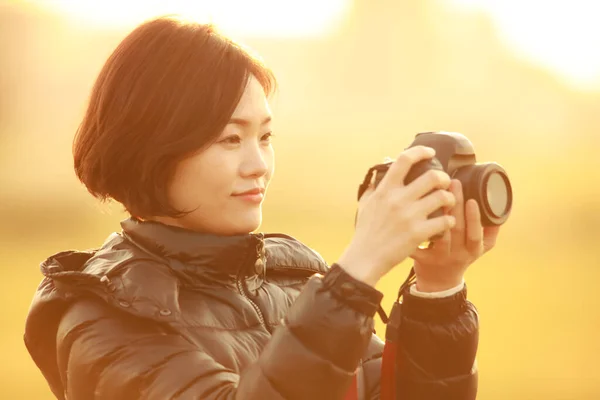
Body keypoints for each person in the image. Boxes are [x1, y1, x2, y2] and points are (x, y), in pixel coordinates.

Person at [24, 16, 500, 400]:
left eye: (265, 137)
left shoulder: (293, 280)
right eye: (231, 139)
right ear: (152, 147)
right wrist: (357, 272)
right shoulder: (102, 316)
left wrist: (438, 288)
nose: (259, 166)